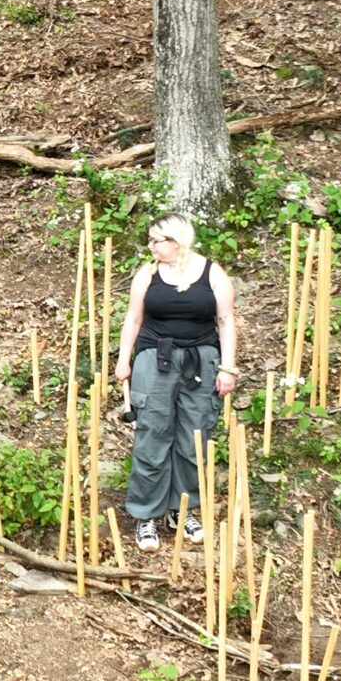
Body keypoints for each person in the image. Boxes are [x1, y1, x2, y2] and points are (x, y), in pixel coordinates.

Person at [113, 214, 238, 553]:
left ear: (176, 241)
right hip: (155, 359)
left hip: (201, 361)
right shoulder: (148, 274)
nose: (150, 246)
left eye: (157, 240)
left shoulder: (213, 273)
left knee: (194, 438)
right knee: (153, 434)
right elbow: (133, 318)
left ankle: (182, 511)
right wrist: (124, 359)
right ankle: (146, 514)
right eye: (150, 240)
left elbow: (225, 321)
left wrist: (228, 368)